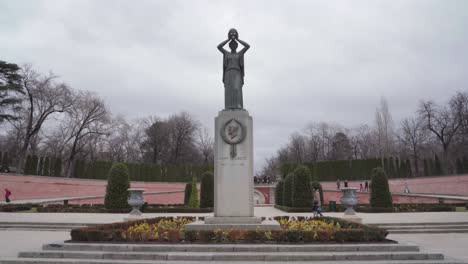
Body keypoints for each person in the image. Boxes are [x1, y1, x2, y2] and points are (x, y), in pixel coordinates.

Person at [217, 29, 250, 110]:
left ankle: (238, 106)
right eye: (231, 45)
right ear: (229, 46)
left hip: (237, 73)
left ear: (237, 46)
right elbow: (219, 47)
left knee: (236, 89)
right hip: (228, 73)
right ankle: (228, 107)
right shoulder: (226, 53)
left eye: (235, 45)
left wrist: (237, 39)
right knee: (229, 91)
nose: (233, 45)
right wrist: (228, 39)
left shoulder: (239, 53)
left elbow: (247, 46)